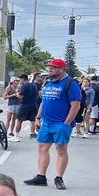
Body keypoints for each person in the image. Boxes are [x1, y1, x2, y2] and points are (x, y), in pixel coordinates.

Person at [23, 58, 81, 189]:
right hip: (46, 123)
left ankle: (59, 178)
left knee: (61, 149)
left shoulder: (70, 83)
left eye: (53, 68)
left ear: (61, 69)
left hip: (61, 123)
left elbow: (75, 106)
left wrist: (66, 124)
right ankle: (41, 176)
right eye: (49, 67)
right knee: (42, 148)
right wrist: (38, 117)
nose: (50, 69)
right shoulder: (49, 83)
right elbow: (44, 102)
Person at [13, 74, 38, 143]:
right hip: (33, 105)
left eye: (20, 80)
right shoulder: (34, 85)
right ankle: (33, 133)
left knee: (19, 121)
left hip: (24, 106)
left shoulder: (24, 86)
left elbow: (20, 96)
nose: (19, 82)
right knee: (33, 121)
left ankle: (16, 136)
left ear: (23, 79)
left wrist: (17, 92)